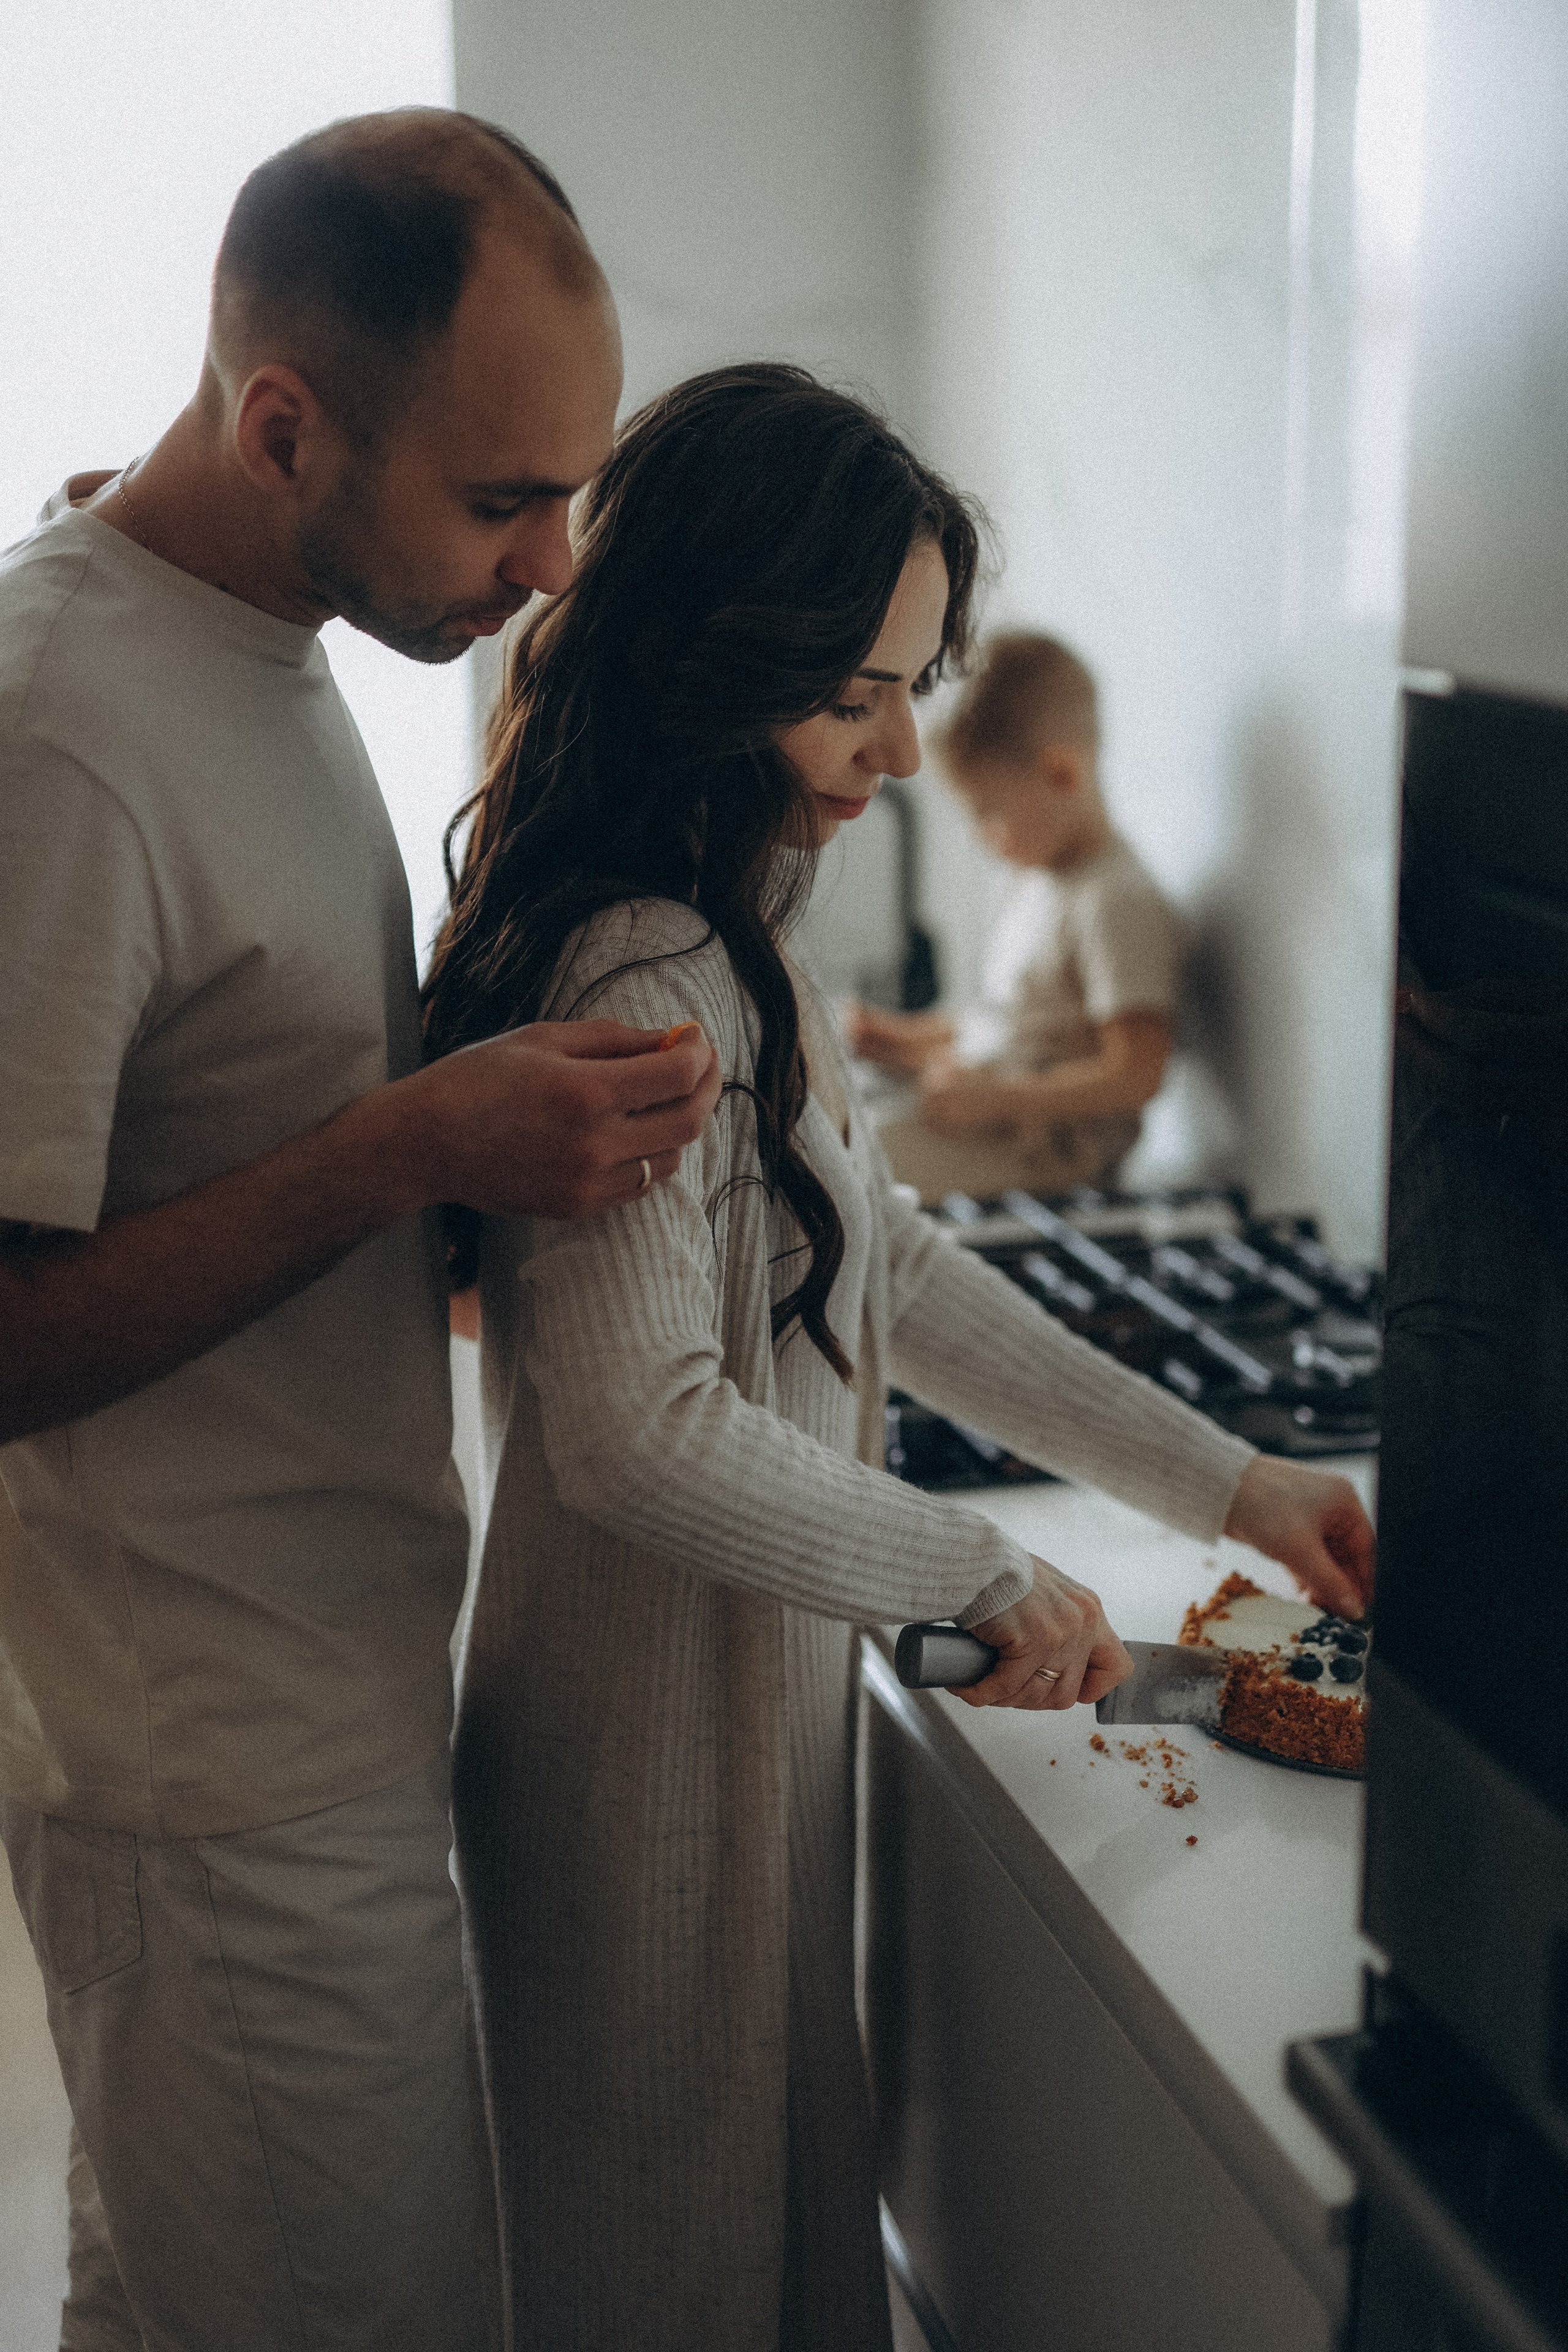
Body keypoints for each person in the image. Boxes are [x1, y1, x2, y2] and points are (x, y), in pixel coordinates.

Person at [421, 364, 1375, 2352]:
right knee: (658, 2293)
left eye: (918, 690)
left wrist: (1235, 1483)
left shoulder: (735, 933)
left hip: (731, 1732)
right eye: (859, 695)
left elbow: (900, 1271)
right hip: (636, 1771)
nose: (906, 752)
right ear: (720, 659)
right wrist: (981, 1566)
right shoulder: (645, 967)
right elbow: (636, 1432)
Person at [0, 112, 720, 2352]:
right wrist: (407, 1151)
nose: (548, 561)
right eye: (502, 498)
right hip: (213, 1773)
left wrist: (455, 1184)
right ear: (281, 420)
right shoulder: (62, 733)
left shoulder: (265, 638)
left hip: (311, 1709)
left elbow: (206, 1162)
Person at [849, 631, 1181, 1204]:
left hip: (1052, 1150)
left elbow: (1137, 1071)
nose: (985, 840)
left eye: (990, 814)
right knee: (838, 1103)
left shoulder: (1113, 900)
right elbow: (1014, 1023)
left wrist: (1001, 1098)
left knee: (853, 1154)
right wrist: (907, 1041)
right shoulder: (1039, 879)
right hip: (1001, 1114)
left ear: (1061, 775)